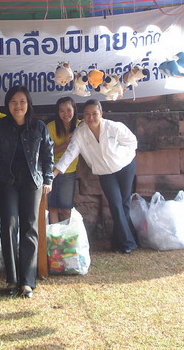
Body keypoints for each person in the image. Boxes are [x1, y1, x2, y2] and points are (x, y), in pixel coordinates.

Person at [0, 85, 53, 298]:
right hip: (7, 181)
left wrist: (48, 179)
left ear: (28, 103)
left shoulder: (39, 127)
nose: (18, 106)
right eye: (13, 102)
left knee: (30, 227)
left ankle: (28, 282)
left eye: (22, 101)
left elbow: (47, 155)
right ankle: (12, 280)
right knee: (9, 226)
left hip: (33, 181)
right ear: (8, 105)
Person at [53, 99, 137, 254]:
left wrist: (121, 157)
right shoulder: (80, 132)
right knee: (116, 204)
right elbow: (70, 153)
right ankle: (128, 244)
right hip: (104, 172)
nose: (90, 117)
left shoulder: (113, 127)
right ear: (83, 115)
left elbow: (132, 142)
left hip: (125, 167)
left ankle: (118, 241)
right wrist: (54, 172)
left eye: (94, 114)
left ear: (101, 113)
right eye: (87, 114)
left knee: (124, 203)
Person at [47, 97, 80, 223]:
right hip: (50, 169)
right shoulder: (51, 127)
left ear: (74, 110)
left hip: (68, 171)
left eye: (69, 110)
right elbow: (48, 152)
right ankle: (54, 234)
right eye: (62, 111)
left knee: (66, 209)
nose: (66, 114)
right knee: (52, 208)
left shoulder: (80, 126)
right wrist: (66, 144)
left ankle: (67, 234)